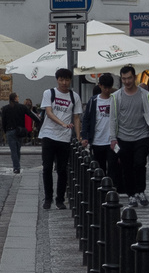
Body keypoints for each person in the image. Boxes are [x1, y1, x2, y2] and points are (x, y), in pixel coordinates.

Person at [110, 64, 149, 208]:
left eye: (129, 78)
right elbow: (112, 119)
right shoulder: (116, 97)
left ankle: (141, 191)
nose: (127, 81)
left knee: (139, 163)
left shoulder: (144, 95)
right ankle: (131, 195)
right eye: (124, 79)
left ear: (134, 77)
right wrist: (113, 138)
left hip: (141, 136)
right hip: (123, 137)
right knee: (126, 167)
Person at [38, 67, 80, 211]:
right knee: (47, 167)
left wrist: (79, 136)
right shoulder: (49, 93)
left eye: (66, 79)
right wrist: (62, 123)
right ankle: (48, 198)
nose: (64, 82)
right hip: (49, 134)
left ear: (70, 80)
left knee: (62, 170)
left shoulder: (74, 97)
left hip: (64, 138)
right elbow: (48, 112)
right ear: (57, 80)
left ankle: (60, 199)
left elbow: (76, 117)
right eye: (61, 79)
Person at [81, 73, 116, 180]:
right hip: (97, 140)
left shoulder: (115, 99)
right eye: (105, 87)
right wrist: (85, 137)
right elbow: (86, 119)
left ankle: (112, 189)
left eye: (109, 87)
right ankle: (101, 192)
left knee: (113, 166)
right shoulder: (93, 101)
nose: (107, 90)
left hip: (112, 140)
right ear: (100, 86)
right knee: (100, 168)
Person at [0, 92, 26, 174]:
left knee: (13, 150)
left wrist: (5, 130)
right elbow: (30, 114)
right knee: (18, 149)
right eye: (17, 97)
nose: (18, 98)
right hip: (19, 130)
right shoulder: (21, 107)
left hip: (10, 130)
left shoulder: (5, 108)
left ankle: (16, 167)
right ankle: (17, 166)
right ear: (15, 98)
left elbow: (3, 121)